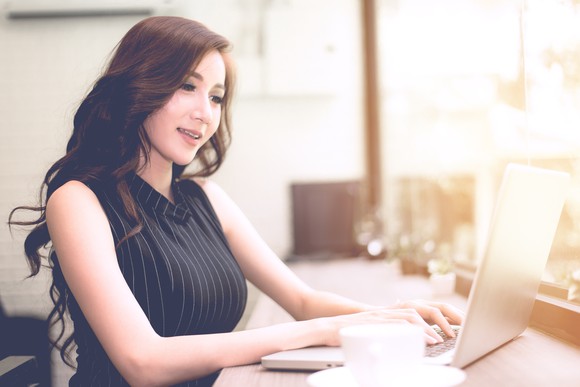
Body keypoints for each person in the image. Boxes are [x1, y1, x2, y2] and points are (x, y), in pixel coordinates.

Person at [9, 16, 463, 386]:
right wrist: (322, 331)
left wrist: (394, 316)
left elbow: (302, 300)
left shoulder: (203, 196)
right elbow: (143, 361)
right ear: (141, 86)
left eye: (217, 97)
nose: (205, 113)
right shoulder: (78, 201)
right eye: (187, 86)